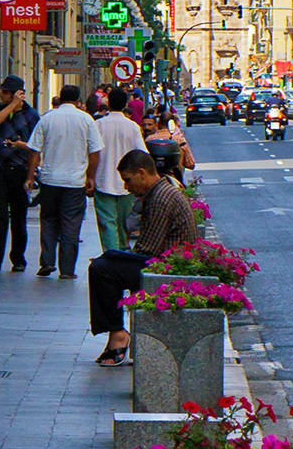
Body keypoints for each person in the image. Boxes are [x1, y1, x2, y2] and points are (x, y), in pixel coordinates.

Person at [87, 151, 201, 367]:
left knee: (102, 269)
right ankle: (116, 333)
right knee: (106, 263)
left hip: (168, 271)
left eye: (128, 180)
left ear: (141, 173)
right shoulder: (161, 191)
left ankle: (118, 335)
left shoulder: (160, 198)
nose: (127, 188)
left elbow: (147, 251)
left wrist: (116, 258)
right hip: (166, 264)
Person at [25, 83, 102, 279]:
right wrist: (90, 176)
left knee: (49, 220)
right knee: (71, 225)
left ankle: (47, 262)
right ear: (78, 101)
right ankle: (67, 270)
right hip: (75, 182)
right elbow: (94, 152)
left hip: (50, 180)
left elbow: (35, 150)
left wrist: (30, 176)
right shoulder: (86, 120)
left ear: (59, 98)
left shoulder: (47, 118)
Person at [0, 76, 39, 273]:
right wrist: (11, 105)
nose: (2, 95)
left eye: (6, 92)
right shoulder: (0, 109)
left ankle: (18, 258)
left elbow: (35, 148)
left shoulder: (31, 115)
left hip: (21, 170)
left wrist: (31, 176)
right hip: (0, 169)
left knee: (18, 217)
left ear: (16, 93)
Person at [93, 86, 150, 252]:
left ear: (109, 103)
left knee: (107, 222)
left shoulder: (99, 125)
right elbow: (142, 153)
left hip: (102, 179)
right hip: (127, 183)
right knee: (123, 221)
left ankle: (111, 253)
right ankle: (121, 250)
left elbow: (92, 152)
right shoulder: (132, 126)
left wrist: (89, 176)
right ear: (126, 104)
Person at [143, 107, 195, 184]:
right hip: (174, 180)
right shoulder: (179, 140)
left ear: (158, 124)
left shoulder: (149, 140)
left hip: (154, 181)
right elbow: (190, 164)